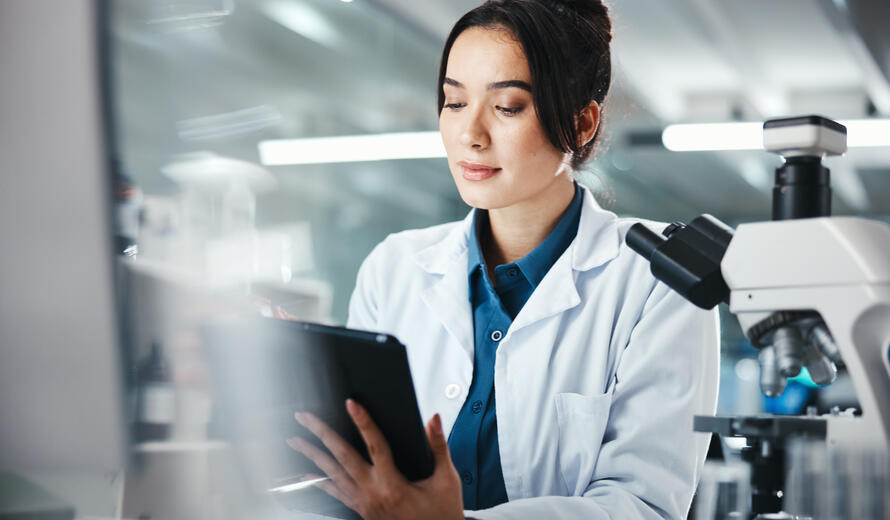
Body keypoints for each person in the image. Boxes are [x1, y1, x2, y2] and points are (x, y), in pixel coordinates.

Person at [287, 1, 720, 518]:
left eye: (507, 106)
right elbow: (364, 472)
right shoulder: (394, 268)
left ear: (582, 124)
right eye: (453, 102)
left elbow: (644, 505)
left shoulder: (657, 280)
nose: (470, 134)